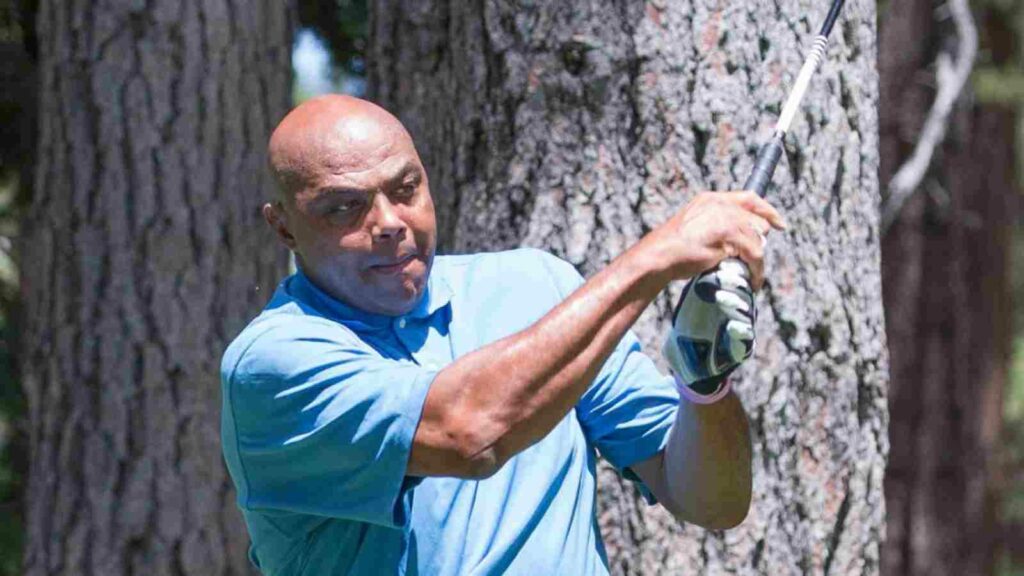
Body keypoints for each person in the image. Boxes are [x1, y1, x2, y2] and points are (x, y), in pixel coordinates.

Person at [220, 94, 785, 575]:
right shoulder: (271, 366)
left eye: (405, 188)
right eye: (346, 207)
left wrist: (703, 387)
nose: (390, 222)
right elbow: (470, 431)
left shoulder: (537, 285)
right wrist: (655, 258)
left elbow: (712, 501)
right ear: (283, 225)